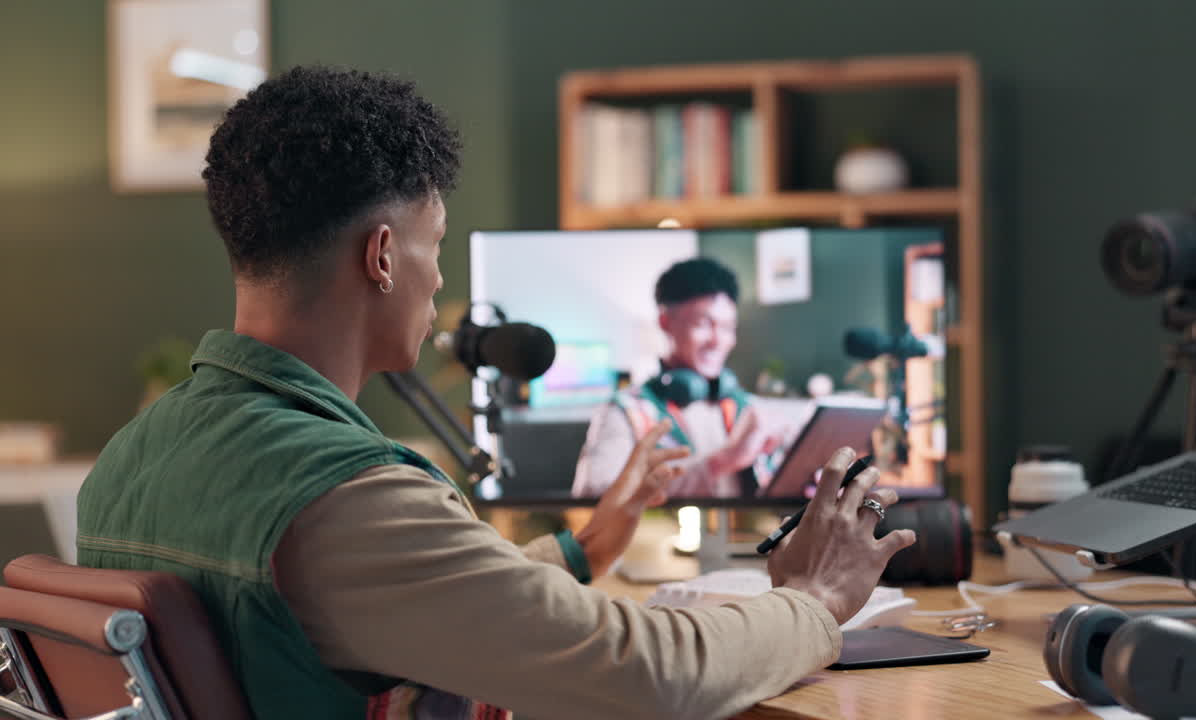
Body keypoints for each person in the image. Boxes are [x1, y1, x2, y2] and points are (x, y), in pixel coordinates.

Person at [76, 66, 915, 720]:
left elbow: (388, 599)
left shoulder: (132, 458)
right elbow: (649, 675)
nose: (439, 277)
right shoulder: (341, 492)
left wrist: (586, 546)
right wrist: (814, 604)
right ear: (380, 256)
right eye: (434, 243)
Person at [573, 257, 791, 498]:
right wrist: (720, 462)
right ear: (665, 322)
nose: (717, 341)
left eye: (728, 327)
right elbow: (592, 494)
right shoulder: (625, 411)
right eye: (703, 324)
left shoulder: (750, 409)